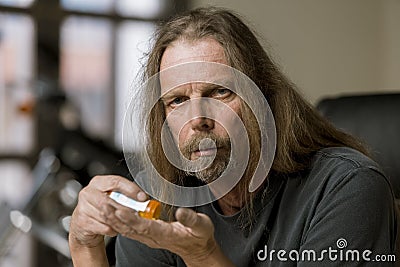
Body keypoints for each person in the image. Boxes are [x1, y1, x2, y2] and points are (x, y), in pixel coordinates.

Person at [69, 7, 398, 266]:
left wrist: (202, 256)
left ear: (264, 98)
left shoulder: (347, 186)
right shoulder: (162, 199)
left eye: (220, 93)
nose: (197, 119)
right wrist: (86, 248)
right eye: (177, 100)